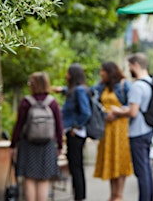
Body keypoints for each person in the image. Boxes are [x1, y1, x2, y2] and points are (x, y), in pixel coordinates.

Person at [10, 72, 63, 201]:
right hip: (47, 145)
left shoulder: (26, 102)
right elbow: (59, 126)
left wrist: (13, 145)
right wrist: (60, 145)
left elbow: (19, 125)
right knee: (43, 179)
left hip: (28, 144)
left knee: (29, 178)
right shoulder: (52, 102)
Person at [110, 53, 153, 201]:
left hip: (137, 133)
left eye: (129, 66)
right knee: (147, 169)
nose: (128, 69)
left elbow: (133, 112)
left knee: (141, 172)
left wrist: (118, 112)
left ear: (136, 65)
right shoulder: (150, 83)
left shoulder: (137, 86)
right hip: (148, 130)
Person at [92, 61, 133, 201]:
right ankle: (113, 194)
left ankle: (119, 194)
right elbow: (91, 98)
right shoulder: (101, 86)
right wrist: (105, 115)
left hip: (120, 127)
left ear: (110, 72)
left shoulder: (124, 85)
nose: (101, 73)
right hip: (106, 128)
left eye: (103, 70)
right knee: (110, 160)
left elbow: (131, 105)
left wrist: (118, 112)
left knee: (120, 160)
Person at [59, 63, 91, 201]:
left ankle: (79, 196)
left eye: (68, 73)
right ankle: (78, 194)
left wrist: (75, 127)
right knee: (74, 165)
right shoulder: (76, 90)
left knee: (76, 166)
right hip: (73, 132)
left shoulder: (79, 91)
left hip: (76, 134)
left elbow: (86, 113)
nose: (66, 75)